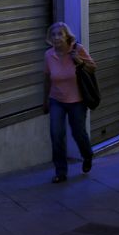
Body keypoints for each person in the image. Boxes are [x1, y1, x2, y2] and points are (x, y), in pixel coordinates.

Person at [43, 21, 96, 183]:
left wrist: (79, 61)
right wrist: (45, 100)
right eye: (53, 35)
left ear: (67, 36)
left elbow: (93, 67)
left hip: (77, 101)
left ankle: (87, 155)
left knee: (78, 132)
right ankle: (61, 171)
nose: (57, 38)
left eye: (60, 34)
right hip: (56, 100)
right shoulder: (48, 55)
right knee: (56, 134)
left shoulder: (77, 49)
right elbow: (47, 78)